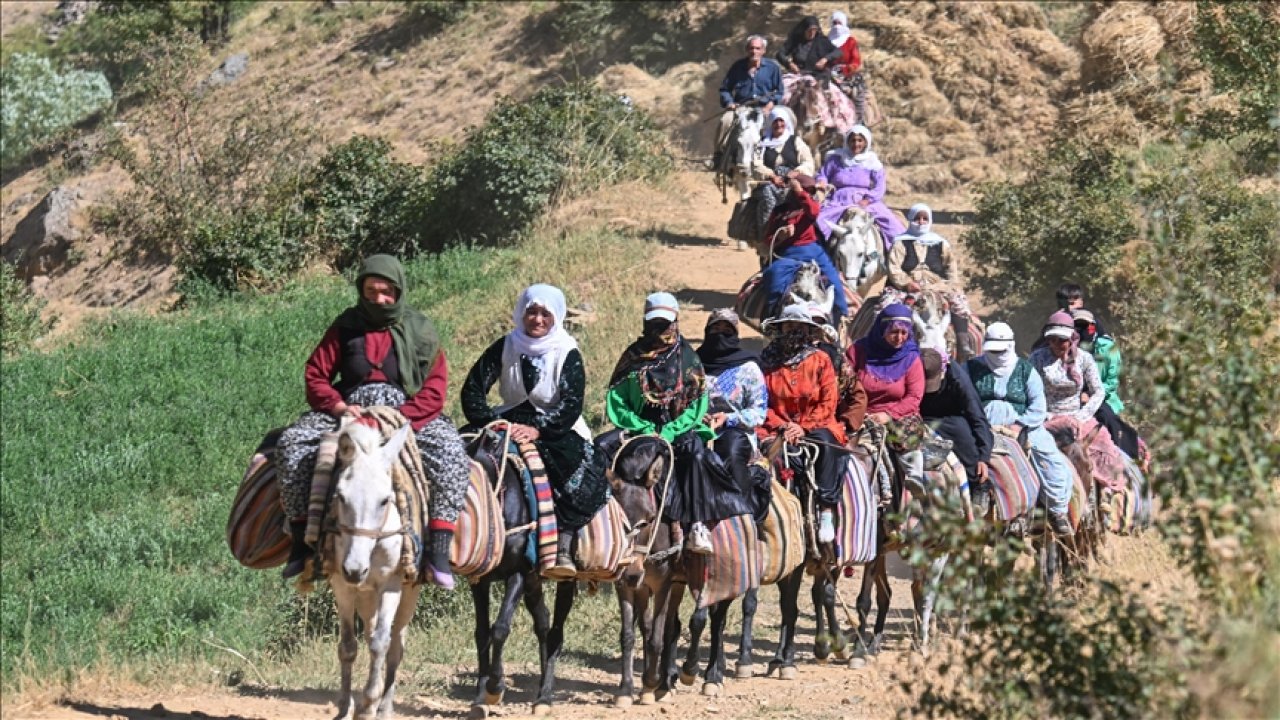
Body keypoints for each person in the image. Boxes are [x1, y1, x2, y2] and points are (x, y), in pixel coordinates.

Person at [277, 255, 471, 587]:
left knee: (450, 451)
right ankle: (302, 544)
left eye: (386, 291)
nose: (379, 299)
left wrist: (403, 417)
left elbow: (435, 389)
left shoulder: (421, 330)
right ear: (361, 291)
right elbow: (316, 375)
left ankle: (438, 551)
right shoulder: (346, 327)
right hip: (352, 410)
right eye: (371, 291)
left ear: (398, 291)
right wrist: (338, 407)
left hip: (404, 412)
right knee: (292, 444)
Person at [460, 284, 610, 580]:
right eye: (531, 312)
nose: (537, 319)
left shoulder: (567, 351)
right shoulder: (506, 345)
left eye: (545, 313)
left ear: (557, 316)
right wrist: (489, 421)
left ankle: (563, 544)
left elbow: (570, 404)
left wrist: (538, 430)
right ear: (521, 313)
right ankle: (456, 538)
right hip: (506, 420)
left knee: (570, 472)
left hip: (555, 426)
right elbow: (473, 389)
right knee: (462, 453)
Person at [606, 293, 754, 554]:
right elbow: (616, 399)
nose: (659, 329)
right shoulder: (632, 357)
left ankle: (697, 524)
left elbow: (697, 404)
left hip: (680, 428)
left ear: (675, 322)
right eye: (654, 323)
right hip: (641, 427)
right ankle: (597, 522)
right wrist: (642, 426)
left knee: (697, 455)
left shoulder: (688, 358)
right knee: (601, 450)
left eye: (665, 323)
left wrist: (671, 430)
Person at [966, 322, 1076, 535]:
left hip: (1022, 426)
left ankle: (1056, 511)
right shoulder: (969, 368)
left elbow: (1038, 406)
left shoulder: (1026, 370)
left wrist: (1019, 426)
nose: (996, 355)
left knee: (1050, 462)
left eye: (1001, 350)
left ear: (1010, 346)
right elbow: (961, 398)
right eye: (993, 350)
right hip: (979, 425)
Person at [758, 303, 850, 543]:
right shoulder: (766, 361)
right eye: (789, 326)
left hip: (816, 424)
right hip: (776, 426)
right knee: (760, 458)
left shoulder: (821, 360)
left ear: (808, 331)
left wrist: (803, 426)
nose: (793, 332)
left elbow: (829, 401)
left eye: (799, 327)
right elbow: (761, 400)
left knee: (828, 446)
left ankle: (827, 509)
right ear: (780, 328)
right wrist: (781, 425)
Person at [1030, 312, 1128, 495]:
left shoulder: (1084, 359)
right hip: (1046, 416)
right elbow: (1030, 388)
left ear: (1072, 338)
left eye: (1061, 340)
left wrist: (1081, 417)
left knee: (1104, 444)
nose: (1056, 345)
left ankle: (1107, 495)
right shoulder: (1037, 359)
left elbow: (1099, 391)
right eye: (1052, 340)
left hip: (1077, 417)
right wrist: (1042, 413)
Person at [696, 308, 772, 524]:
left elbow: (758, 411)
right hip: (699, 428)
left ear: (735, 334)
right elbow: (685, 402)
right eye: (715, 329)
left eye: (726, 330)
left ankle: (743, 514)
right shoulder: (694, 366)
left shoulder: (748, 367)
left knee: (730, 450)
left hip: (736, 430)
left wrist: (729, 418)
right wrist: (697, 417)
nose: (720, 334)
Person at [845, 304, 926, 497]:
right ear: (882, 329)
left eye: (904, 333)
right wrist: (857, 412)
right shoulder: (858, 351)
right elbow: (844, 384)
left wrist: (887, 415)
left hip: (898, 415)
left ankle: (914, 476)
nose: (899, 338)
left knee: (907, 435)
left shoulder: (911, 358)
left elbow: (914, 397)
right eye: (893, 332)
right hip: (859, 412)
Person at [887, 203, 976, 359]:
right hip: (907, 287)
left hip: (938, 287)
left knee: (959, 304)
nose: (921, 222)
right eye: (917, 218)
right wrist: (907, 283)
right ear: (910, 220)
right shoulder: (900, 243)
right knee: (887, 306)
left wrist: (947, 286)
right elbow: (894, 268)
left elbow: (951, 268)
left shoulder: (941, 243)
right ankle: (885, 343)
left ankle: (963, 343)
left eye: (924, 218)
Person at [761, 174, 850, 319]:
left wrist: (799, 191)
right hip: (788, 255)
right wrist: (781, 236)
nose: (809, 194)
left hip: (814, 251)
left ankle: (842, 317)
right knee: (773, 277)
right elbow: (767, 240)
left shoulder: (810, 207)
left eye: (811, 191)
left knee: (834, 281)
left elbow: (814, 212)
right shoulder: (780, 212)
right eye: (806, 190)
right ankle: (771, 318)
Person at [816, 126, 906, 249]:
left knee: (891, 224)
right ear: (847, 141)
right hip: (838, 200)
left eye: (860, 140)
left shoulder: (872, 162)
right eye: (852, 140)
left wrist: (868, 200)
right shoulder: (836, 158)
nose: (856, 144)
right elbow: (823, 174)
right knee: (819, 221)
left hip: (863, 200)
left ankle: (895, 256)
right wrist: (822, 183)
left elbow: (880, 186)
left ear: (866, 142)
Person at [1073, 308, 1144, 462]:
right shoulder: (1067, 347)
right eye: (1076, 326)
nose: (1082, 331)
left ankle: (1121, 464)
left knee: (1110, 423)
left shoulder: (1107, 348)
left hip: (1104, 399)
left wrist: (1090, 396)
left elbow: (1111, 382)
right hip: (1072, 399)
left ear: (1092, 327)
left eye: (1085, 327)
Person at [919, 348, 993, 491]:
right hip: (921, 417)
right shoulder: (909, 371)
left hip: (952, 418)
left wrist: (983, 457)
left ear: (942, 371)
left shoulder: (958, 379)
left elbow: (977, 415)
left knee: (964, 438)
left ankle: (978, 485)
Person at [778, 16, 858, 138]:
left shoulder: (822, 41)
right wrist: (789, 63)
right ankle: (780, 122)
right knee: (784, 94)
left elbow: (837, 52)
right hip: (798, 75)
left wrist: (825, 59)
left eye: (814, 30)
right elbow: (780, 54)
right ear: (803, 30)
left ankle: (834, 125)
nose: (812, 33)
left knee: (834, 99)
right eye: (809, 30)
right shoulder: (796, 41)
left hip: (818, 75)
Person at [748, 110, 817, 246]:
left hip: (793, 183)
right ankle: (766, 236)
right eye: (775, 121)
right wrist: (772, 176)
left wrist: (796, 173)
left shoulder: (796, 141)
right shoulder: (762, 144)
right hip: (769, 183)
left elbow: (808, 162)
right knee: (767, 195)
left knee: (812, 200)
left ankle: (811, 236)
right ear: (770, 123)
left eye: (781, 121)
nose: (779, 124)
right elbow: (756, 164)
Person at [716, 35, 784, 162]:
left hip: (766, 108)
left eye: (758, 48)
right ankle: (718, 156)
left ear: (763, 50)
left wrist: (770, 105)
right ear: (747, 50)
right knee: (725, 121)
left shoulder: (773, 68)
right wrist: (730, 102)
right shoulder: (737, 67)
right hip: (742, 108)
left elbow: (780, 91)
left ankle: (786, 156)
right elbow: (725, 89)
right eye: (751, 48)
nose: (754, 51)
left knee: (783, 122)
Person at [828, 11, 862, 78]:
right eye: (835, 23)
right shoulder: (827, 41)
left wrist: (846, 69)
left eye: (839, 23)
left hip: (847, 74)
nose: (837, 26)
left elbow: (856, 60)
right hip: (829, 74)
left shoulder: (850, 41)